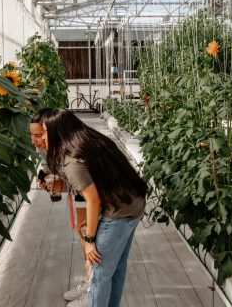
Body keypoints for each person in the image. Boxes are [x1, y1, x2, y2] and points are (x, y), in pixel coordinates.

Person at [40, 108, 147, 307]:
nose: (43, 136)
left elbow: (94, 201)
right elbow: (98, 184)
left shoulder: (72, 161)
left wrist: (89, 240)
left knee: (98, 272)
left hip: (119, 212)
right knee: (115, 270)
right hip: (134, 204)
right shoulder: (91, 142)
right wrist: (64, 186)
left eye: (45, 131)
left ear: (58, 132)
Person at [29, 109, 89, 303]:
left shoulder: (74, 150)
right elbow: (50, 169)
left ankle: (93, 291)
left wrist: (63, 184)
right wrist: (47, 178)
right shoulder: (44, 148)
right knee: (84, 239)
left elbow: (85, 183)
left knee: (92, 242)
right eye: (33, 135)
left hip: (97, 197)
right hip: (81, 194)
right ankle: (90, 282)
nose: (36, 141)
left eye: (40, 135)